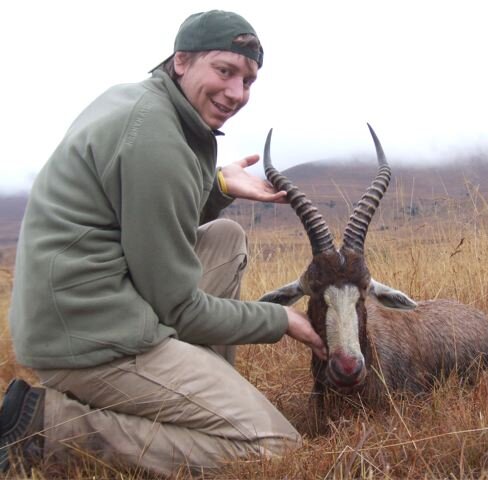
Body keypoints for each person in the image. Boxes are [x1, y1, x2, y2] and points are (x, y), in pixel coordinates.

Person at [0, 9, 326, 476]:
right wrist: (281, 320)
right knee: (274, 447)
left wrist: (218, 189)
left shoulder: (142, 101)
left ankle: (196, 394)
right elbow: (180, 309)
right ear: (181, 61)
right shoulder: (156, 138)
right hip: (91, 340)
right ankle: (51, 427)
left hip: (84, 308)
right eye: (225, 70)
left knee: (225, 238)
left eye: (249, 80)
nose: (237, 93)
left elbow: (144, 218)